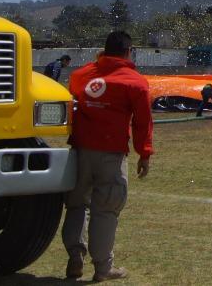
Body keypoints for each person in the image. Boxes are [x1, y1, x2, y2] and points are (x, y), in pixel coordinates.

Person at [62, 30, 152, 282]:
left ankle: (74, 257)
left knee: (77, 204)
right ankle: (103, 268)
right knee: (106, 209)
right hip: (110, 156)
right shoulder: (134, 82)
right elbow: (142, 122)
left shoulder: (80, 76)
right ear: (128, 52)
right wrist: (144, 153)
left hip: (80, 151)